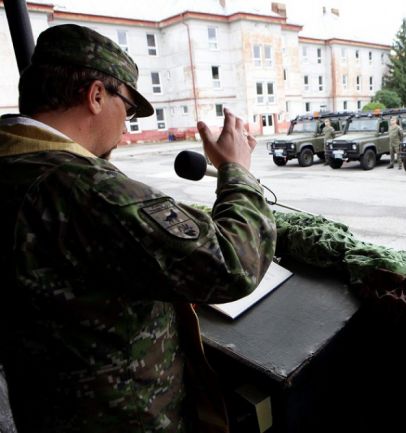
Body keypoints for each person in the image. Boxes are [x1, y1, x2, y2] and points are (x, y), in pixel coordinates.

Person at [0, 24, 276, 433]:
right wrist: (236, 170)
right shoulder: (84, 188)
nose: (127, 126)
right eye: (127, 108)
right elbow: (232, 263)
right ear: (96, 96)